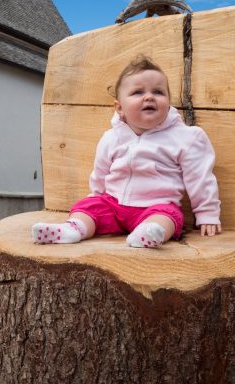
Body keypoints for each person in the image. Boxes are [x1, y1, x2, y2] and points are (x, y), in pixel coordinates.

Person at [32, 56, 221, 248]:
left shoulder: (184, 137)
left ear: (169, 102)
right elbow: (100, 173)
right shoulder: (111, 137)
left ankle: (148, 234)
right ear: (119, 108)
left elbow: (200, 178)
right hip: (113, 205)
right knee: (87, 207)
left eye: (158, 92)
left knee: (170, 217)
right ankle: (72, 229)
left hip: (156, 206)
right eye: (138, 92)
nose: (149, 97)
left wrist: (207, 213)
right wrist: (96, 198)